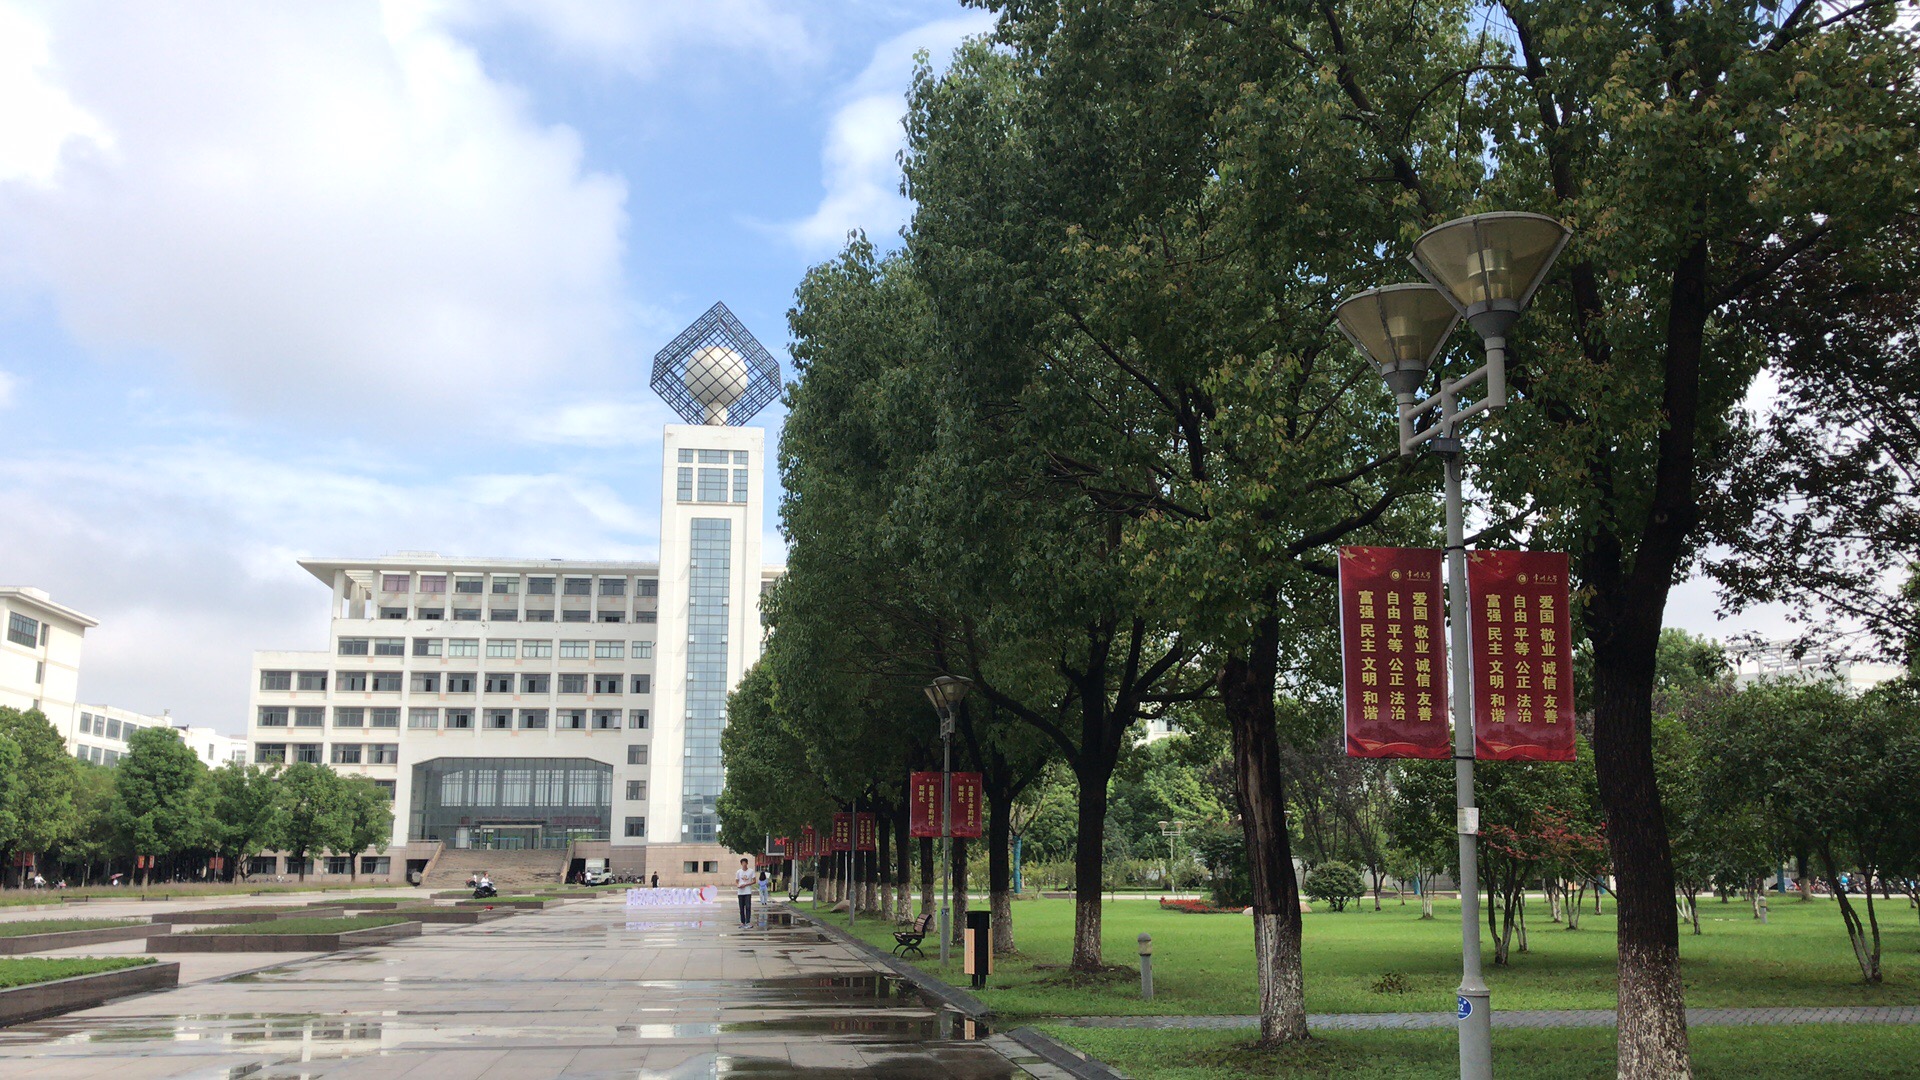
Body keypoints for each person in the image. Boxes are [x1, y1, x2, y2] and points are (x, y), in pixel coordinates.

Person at [734, 858, 756, 928]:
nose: (744, 864)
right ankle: (742, 922)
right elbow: (736, 881)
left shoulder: (751, 871)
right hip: (740, 892)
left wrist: (746, 884)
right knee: (741, 908)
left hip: (747, 891)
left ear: (747, 863)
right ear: (741, 864)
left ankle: (748, 921)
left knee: (748, 907)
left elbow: (754, 881)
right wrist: (738, 886)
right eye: (742, 863)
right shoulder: (738, 872)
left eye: (745, 863)